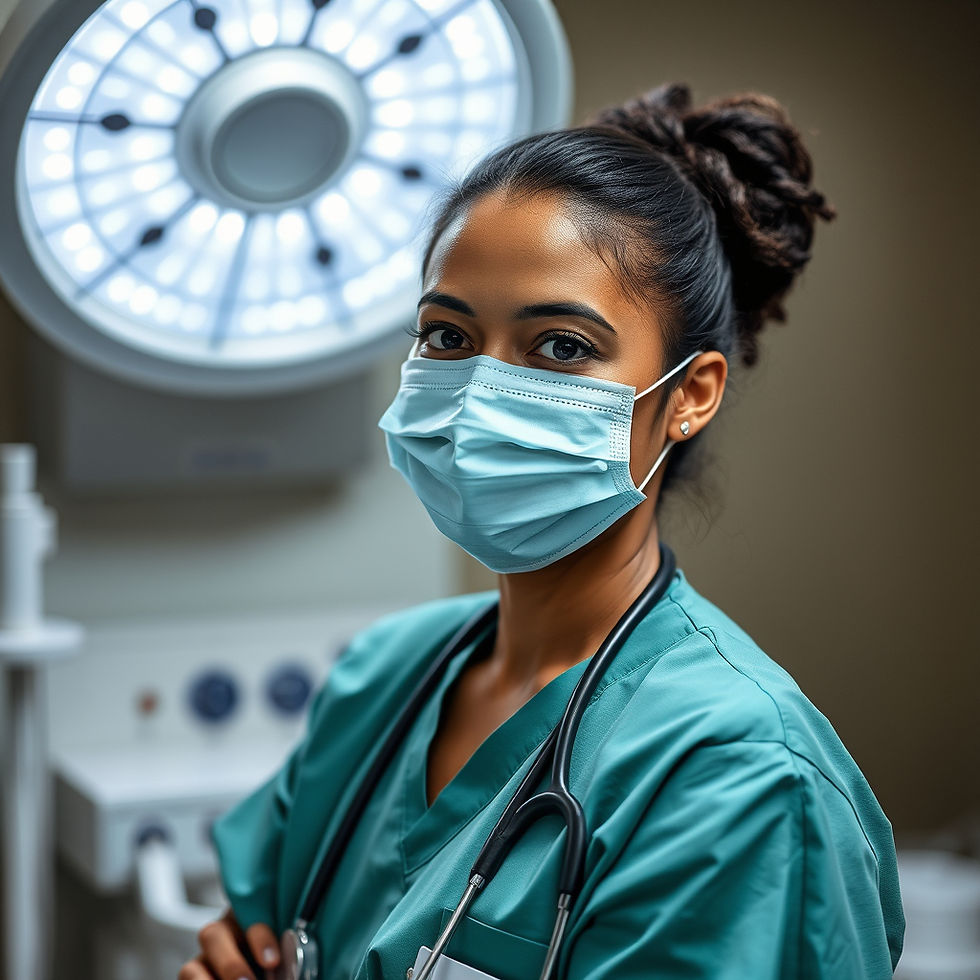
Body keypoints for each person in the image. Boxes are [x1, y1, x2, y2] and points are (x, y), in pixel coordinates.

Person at [179, 83, 904, 980]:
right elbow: (257, 930)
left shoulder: (739, 780)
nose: (479, 394)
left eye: (561, 346)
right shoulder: (384, 677)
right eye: (446, 336)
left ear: (689, 395)